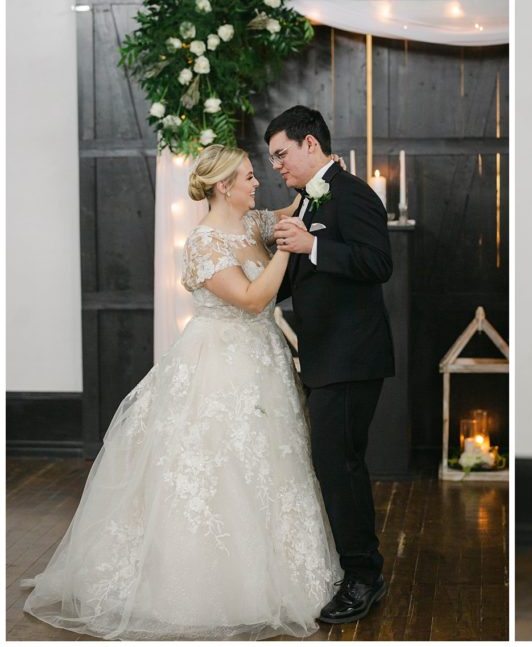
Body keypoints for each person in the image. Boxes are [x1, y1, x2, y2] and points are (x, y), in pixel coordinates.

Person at [23, 145, 340, 639]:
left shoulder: (253, 222)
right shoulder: (204, 244)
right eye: (249, 177)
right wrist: (287, 248)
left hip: (263, 364)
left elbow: (292, 211)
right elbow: (255, 300)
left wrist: (322, 178)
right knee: (217, 466)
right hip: (219, 365)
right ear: (223, 186)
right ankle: (205, 585)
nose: (258, 183)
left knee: (269, 465)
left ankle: (283, 575)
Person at [265, 105, 395, 624]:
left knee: (339, 468)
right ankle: (360, 570)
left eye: (281, 154)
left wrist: (313, 243)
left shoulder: (354, 193)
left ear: (310, 145)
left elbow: (378, 264)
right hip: (325, 355)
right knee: (338, 466)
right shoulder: (305, 199)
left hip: (351, 356)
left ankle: (364, 578)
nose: (276, 165)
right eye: (271, 158)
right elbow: (302, 279)